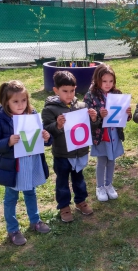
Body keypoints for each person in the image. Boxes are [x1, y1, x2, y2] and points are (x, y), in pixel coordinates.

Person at [0, 80, 52, 246]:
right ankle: (13, 229)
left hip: (30, 163)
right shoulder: (0, 119)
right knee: (11, 198)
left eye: (24, 100)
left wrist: (46, 138)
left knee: (31, 192)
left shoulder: (32, 114)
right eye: (15, 101)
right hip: (12, 167)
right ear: (6, 101)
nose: (20, 104)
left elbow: (40, 140)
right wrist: (7, 142)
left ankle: (35, 221)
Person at [42, 71, 99, 222]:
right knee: (62, 182)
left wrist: (93, 119)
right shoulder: (50, 109)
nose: (69, 94)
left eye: (72, 90)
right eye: (64, 91)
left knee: (79, 179)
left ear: (76, 88)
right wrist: (58, 125)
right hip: (62, 154)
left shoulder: (82, 106)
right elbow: (47, 131)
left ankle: (80, 201)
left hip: (79, 152)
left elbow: (89, 128)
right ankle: (64, 207)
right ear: (56, 90)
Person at [84, 63, 132, 201]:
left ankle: (108, 184)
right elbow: (87, 117)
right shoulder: (90, 96)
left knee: (111, 160)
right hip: (100, 135)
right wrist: (99, 115)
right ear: (97, 80)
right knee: (102, 160)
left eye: (111, 81)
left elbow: (124, 117)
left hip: (114, 134)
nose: (107, 84)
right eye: (104, 81)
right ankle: (100, 187)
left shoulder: (117, 94)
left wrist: (128, 113)